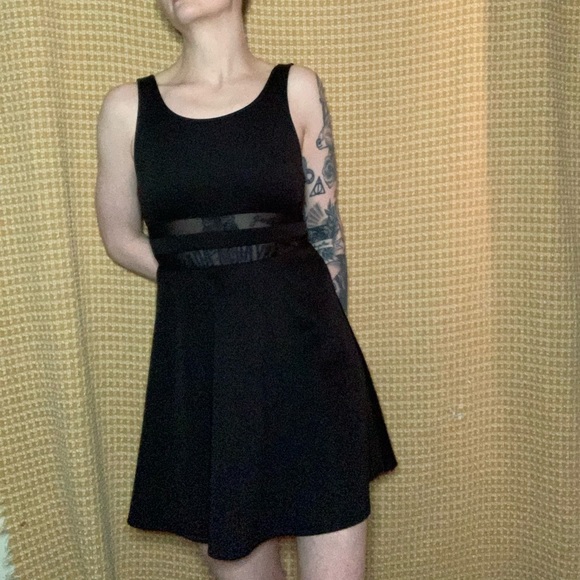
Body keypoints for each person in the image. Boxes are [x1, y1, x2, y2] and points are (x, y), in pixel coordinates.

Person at [94, 1, 398, 579]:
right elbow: (120, 237)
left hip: (312, 365)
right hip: (208, 375)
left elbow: (326, 235)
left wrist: (331, 366)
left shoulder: (297, 88)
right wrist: (209, 283)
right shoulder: (127, 109)